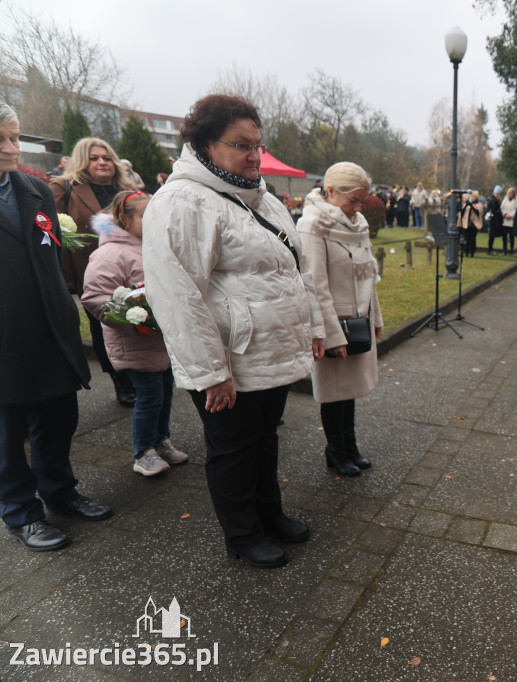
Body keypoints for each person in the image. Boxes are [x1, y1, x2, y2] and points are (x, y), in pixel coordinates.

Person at [142, 94, 326, 570]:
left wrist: (314, 326)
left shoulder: (262, 197)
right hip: (230, 359)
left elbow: (297, 270)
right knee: (233, 450)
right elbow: (177, 296)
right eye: (241, 145)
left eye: (257, 145)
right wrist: (210, 373)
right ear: (205, 144)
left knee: (264, 439)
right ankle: (243, 535)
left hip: (271, 351)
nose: (253, 156)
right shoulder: (181, 202)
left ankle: (269, 515)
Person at [0, 101, 112, 552]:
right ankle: (20, 512)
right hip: (4, 337)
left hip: (50, 328)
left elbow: (50, 253)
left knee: (58, 419)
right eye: (0, 140)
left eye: (14, 138)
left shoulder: (34, 190)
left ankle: (60, 491)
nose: (11, 149)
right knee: (8, 433)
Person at [80, 190, 189, 477]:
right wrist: (133, 317)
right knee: (149, 397)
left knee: (164, 394)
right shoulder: (109, 254)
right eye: (145, 215)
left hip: (160, 341)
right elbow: (95, 298)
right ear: (124, 218)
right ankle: (143, 452)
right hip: (134, 342)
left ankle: (161, 440)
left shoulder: (152, 246)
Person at [297, 162, 382, 478]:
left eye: (362, 201)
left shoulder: (357, 224)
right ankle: (336, 448)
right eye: (353, 201)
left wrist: (375, 317)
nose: (358, 208)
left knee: (349, 389)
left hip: (359, 319)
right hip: (334, 322)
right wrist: (331, 335)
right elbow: (315, 285)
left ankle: (350, 444)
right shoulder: (312, 225)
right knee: (334, 391)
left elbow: (368, 275)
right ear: (330, 191)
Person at [50, 137, 139, 408]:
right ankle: (120, 380)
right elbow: (56, 237)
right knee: (104, 327)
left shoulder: (129, 189)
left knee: (137, 320)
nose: (102, 162)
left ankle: (143, 376)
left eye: (107, 157)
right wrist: (65, 278)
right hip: (92, 272)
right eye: (94, 158)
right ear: (81, 161)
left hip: (134, 268)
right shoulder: (63, 188)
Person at [458, 190, 482, 257]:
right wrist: (466, 205)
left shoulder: (477, 204)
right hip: (466, 224)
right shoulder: (467, 204)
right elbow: (462, 212)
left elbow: (478, 212)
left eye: (474, 197)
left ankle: (472, 252)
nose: (472, 198)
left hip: (474, 224)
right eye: (472, 197)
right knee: (466, 238)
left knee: (472, 239)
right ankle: (466, 251)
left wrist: (472, 206)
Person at [486, 185, 504, 255]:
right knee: (492, 235)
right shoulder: (494, 201)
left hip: (493, 220)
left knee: (492, 235)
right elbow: (494, 211)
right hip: (494, 220)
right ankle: (490, 249)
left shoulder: (492, 200)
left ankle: (490, 249)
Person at [500, 186, 516, 255]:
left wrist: (511, 215)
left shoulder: (515, 201)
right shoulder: (505, 200)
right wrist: (505, 214)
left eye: (512, 193)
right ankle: (505, 250)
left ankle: (512, 250)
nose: (511, 195)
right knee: (504, 236)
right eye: (509, 193)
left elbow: (515, 210)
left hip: (511, 221)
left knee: (512, 236)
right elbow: (502, 208)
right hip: (505, 221)